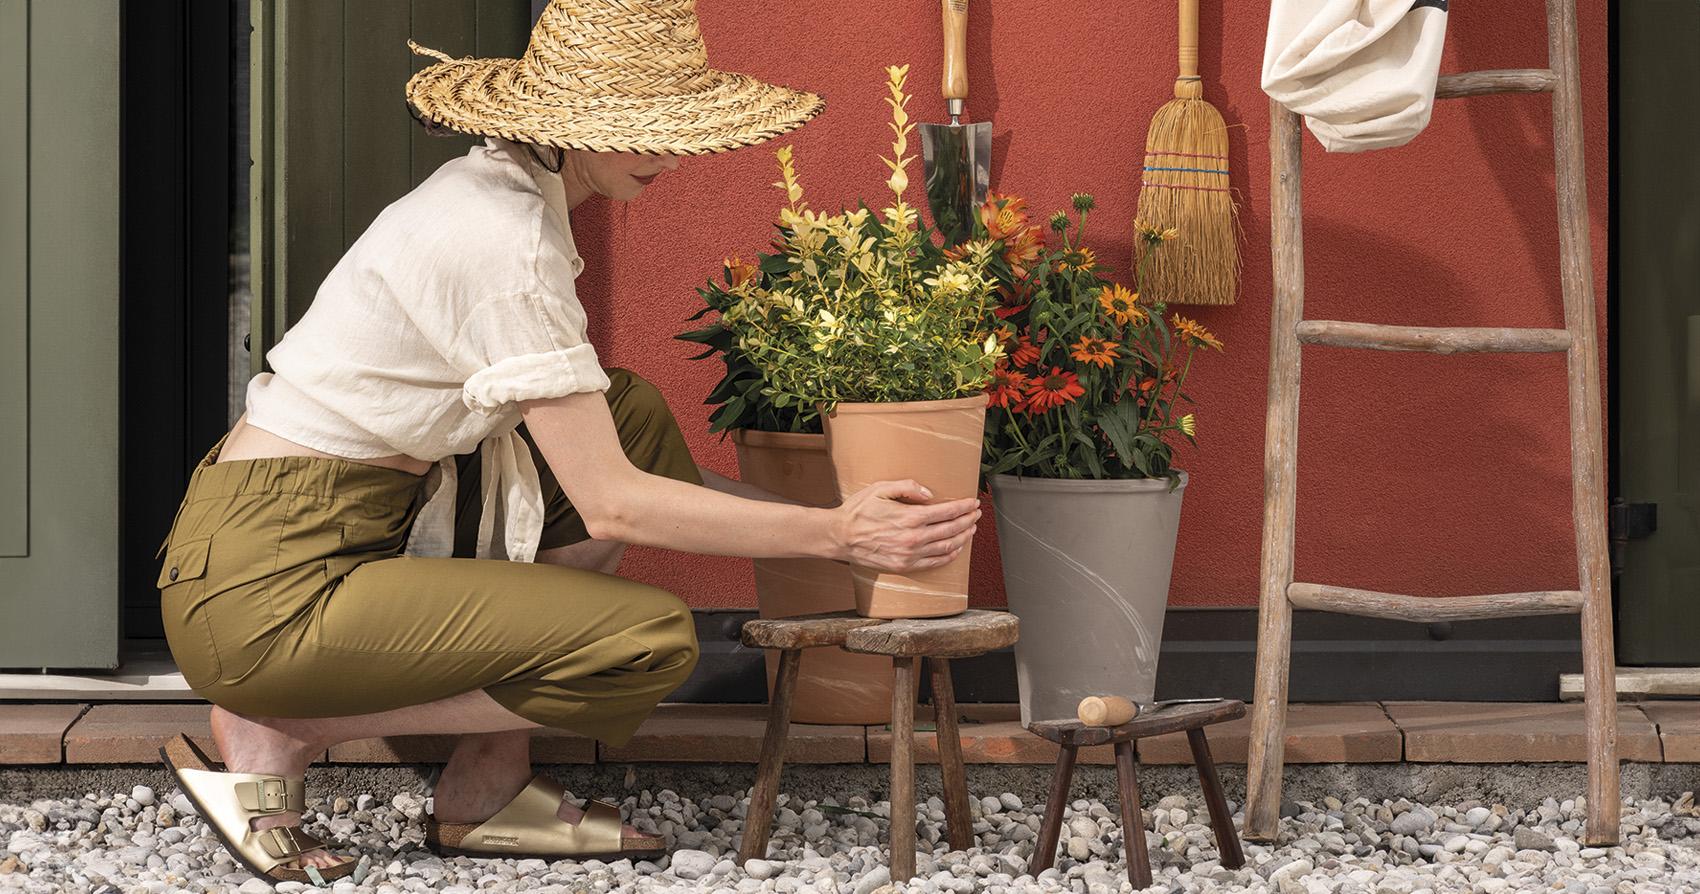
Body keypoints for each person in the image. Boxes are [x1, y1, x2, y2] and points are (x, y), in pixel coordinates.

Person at [154, 1, 982, 885]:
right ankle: (284, 728)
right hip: (270, 586)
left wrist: (831, 517)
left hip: (338, 522)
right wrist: (839, 536)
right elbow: (614, 503)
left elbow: (624, 468)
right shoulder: (501, 243)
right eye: (644, 131)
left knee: (625, 413)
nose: (670, 156)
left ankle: (488, 783)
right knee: (647, 641)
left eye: (678, 130)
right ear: (568, 124)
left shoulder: (508, 195)